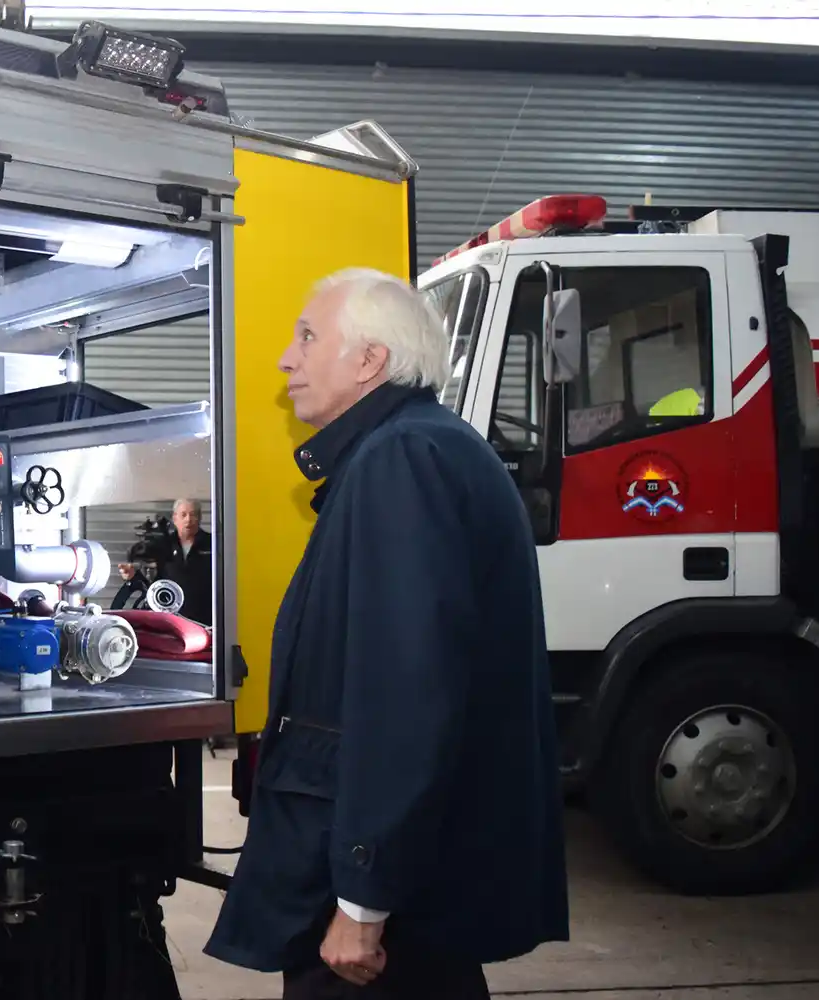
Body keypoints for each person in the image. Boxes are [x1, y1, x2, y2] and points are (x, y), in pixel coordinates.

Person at [205, 267, 568, 999]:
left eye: (308, 336)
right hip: (417, 880)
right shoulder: (426, 447)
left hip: (381, 898)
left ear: (370, 360)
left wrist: (362, 901)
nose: (286, 357)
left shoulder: (400, 460)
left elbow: (406, 694)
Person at [115, 498, 214, 626]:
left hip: (205, 621)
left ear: (200, 518)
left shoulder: (213, 544)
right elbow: (151, 584)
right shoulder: (162, 544)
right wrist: (133, 576)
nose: (188, 520)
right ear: (175, 518)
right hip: (170, 621)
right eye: (183, 515)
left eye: (193, 514)